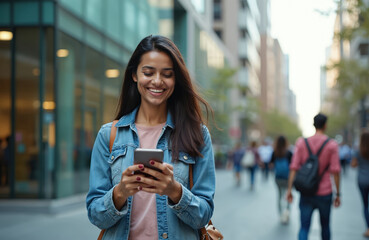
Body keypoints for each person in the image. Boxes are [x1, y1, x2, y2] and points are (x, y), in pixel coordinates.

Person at [86, 35, 216, 240]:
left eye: (167, 74)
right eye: (148, 72)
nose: (157, 81)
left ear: (176, 79)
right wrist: (120, 192)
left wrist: (175, 191)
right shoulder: (108, 135)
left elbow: (204, 214)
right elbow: (95, 215)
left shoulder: (198, 135)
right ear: (135, 75)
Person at [286, 113, 341, 240]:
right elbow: (336, 171)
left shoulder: (301, 143)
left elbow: (293, 167)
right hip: (325, 192)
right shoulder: (332, 145)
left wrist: (289, 190)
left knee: (304, 228)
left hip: (306, 191)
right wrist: (338, 194)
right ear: (325, 125)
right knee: (325, 227)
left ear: (313, 124)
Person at [270, 135, 293, 224]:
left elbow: (271, 165)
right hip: (287, 178)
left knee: (279, 196)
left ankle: (280, 215)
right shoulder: (289, 153)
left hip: (278, 178)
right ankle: (287, 213)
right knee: (288, 195)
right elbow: (293, 167)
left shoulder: (274, 152)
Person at [351, 130, 369, 238]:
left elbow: (353, 165)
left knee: (365, 205)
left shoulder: (358, 151)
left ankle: (368, 228)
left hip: (362, 180)